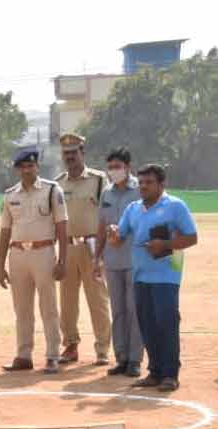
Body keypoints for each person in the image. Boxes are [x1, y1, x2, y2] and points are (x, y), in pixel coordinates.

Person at [105, 164, 198, 392]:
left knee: (166, 323)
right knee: (146, 325)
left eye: (149, 183)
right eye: (142, 182)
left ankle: (170, 374)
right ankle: (155, 371)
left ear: (161, 184)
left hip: (167, 276)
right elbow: (120, 238)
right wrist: (113, 234)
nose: (144, 187)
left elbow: (192, 237)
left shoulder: (175, 206)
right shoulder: (133, 209)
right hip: (140, 275)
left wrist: (164, 245)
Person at [0, 146, 68, 374]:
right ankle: (24, 355)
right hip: (17, 255)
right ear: (18, 170)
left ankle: (52, 356)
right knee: (22, 309)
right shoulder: (10, 195)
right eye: (23, 167)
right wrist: (0, 265)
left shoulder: (51, 190)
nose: (28, 170)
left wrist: (62, 260)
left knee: (48, 307)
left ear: (37, 166)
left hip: (44, 252)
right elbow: (5, 231)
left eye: (31, 165)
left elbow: (62, 226)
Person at [53, 133, 111, 366]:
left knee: (97, 299)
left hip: (92, 246)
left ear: (82, 153)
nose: (70, 157)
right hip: (67, 247)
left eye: (74, 153)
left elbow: (106, 215)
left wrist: (103, 250)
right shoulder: (57, 183)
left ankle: (102, 349)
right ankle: (70, 345)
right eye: (66, 154)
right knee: (67, 302)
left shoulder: (98, 180)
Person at [95, 148, 144, 377]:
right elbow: (101, 226)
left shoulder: (140, 190)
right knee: (118, 310)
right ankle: (121, 357)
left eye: (118, 166)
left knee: (135, 309)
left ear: (128, 167)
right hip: (112, 260)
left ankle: (135, 359)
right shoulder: (106, 193)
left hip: (136, 258)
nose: (114, 170)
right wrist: (97, 257)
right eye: (111, 167)